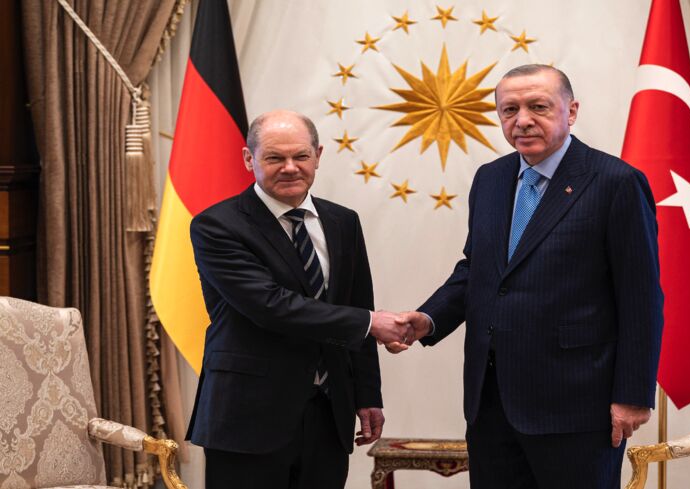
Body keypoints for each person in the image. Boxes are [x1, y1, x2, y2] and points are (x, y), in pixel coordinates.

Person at [391, 65, 665, 489]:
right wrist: (428, 319)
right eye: (509, 110)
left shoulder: (616, 183)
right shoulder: (491, 179)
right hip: (491, 402)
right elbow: (478, 271)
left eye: (538, 107)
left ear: (570, 111)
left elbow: (642, 297)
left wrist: (632, 395)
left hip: (577, 407)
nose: (522, 120)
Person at [186, 109, 409, 488]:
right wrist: (371, 323)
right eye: (274, 157)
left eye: (301, 156)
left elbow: (357, 301)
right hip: (247, 417)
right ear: (248, 159)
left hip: (327, 415)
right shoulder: (217, 225)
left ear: (318, 156)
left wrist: (367, 394)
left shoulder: (343, 222)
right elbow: (270, 306)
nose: (290, 168)